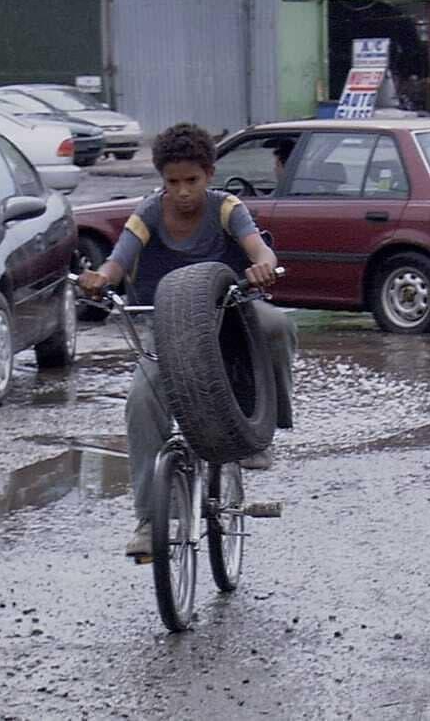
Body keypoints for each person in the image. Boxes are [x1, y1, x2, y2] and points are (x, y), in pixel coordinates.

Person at [76, 124, 297, 558]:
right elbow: (118, 261)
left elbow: (260, 250)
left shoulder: (226, 208)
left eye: (191, 180)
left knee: (277, 326)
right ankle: (149, 520)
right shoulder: (148, 214)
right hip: (169, 333)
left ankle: (266, 432)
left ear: (209, 174)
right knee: (141, 402)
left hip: (229, 322)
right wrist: (100, 278)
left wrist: (262, 267)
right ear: (162, 179)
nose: (182, 191)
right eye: (172, 181)